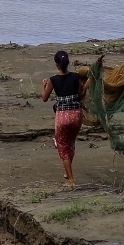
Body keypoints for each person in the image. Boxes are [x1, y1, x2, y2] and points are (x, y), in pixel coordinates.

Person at [39, 50, 85, 188]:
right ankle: (67, 171)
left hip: (63, 117)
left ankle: (70, 180)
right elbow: (81, 95)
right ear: (68, 62)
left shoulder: (53, 80)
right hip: (77, 115)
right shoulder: (77, 77)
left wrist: (44, 85)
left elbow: (44, 98)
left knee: (63, 147)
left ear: (56, 65)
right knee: (70, 142)